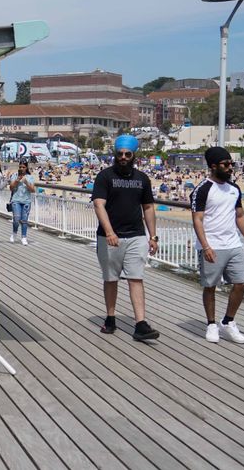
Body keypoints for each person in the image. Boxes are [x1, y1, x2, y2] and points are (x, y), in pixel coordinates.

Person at [91, 135, 160, 341]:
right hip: (109, 237)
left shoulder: (142, 179)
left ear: (133, 155)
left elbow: (148, 207)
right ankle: (110, 318)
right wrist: (110, 232)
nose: (123, 157)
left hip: (137, 236)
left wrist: (153, 236)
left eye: (127, 154)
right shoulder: (105, 176)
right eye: (119, 154)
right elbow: (98, 204)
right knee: (111, 279)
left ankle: (140, 324)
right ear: (115, 154)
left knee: (136, 277)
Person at [191, 147, 244, 344]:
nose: (230, 168)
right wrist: (206, 246)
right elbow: (197, 220)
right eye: (225, 164)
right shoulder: (202, 189)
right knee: (210, 286)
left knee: (240, 283)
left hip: (233, 244)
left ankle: (228, 321)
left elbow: (239, 215)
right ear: (213, 166)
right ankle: (211, 324)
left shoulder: (234, 188)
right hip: (212, 245)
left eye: (231, 164)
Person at [9, 160, 34, 245]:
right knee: (16, 218)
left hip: (26, 201)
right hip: (16, 200)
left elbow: (33, 190)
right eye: (20, 167)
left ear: (26, 168)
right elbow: (11, 188)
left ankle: (24, 237)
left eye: (23, 167)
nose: (21, 168)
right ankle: (14, 233)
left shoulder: (30, 177)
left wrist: (26, 182)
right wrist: (17, 180)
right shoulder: (15, 176)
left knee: (24, 220)